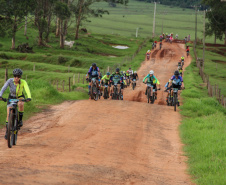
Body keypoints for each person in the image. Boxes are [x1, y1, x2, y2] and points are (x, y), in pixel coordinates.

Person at [0, 68, 31, 139]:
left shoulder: (23, 82)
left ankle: (20, 120)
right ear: (13, 76)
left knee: (20, 104)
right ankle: (7, 131)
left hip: (20, 97)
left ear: (20, 77)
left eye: (18, 76)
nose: (16, 78)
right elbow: (3, 88)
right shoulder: (10, 81)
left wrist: (29, 97)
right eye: (15, 76)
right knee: (8, 114)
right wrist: (0, 95)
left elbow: (27, 89)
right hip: (11, 97)